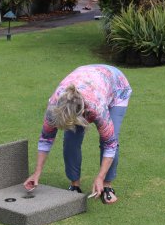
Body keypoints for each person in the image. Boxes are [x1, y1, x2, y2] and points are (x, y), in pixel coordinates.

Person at [24, 65, 132, 205]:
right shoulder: (54, 107)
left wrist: (100, 177)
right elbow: (46, 139)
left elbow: (110, 144)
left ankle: (107, 186)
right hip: (88, 78)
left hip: (116, 86)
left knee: (110, 138)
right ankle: (74, 185)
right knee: (70, 140)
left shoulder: (96, 108)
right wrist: (37, 172)